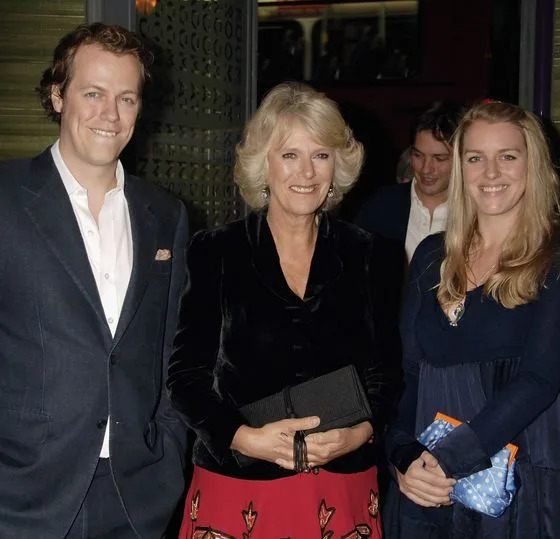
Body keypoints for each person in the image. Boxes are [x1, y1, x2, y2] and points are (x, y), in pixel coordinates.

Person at [0, 23, 189, 538]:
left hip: (136, 499)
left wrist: (168, 455)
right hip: (10, 501)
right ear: (57, 94)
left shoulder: (166, 215)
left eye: (126, 98)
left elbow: (170, 354)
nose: (110, 114)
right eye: (93, 93)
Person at [166, 81, 400, 538]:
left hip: (341, 485)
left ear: (338, 165)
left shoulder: (373, 255)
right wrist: (243, 438)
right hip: (238, 485)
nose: (307, 172)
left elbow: (387, 373)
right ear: (264, 164)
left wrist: (359, 433)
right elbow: (185, 377)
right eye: (290, 155)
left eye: (321, 155)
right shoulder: (216, 251)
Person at [384, 100, 560, 538]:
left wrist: (446, 459)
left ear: (533, 164)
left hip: (514, 476)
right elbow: (406, 372)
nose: (491, 172)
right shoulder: (430, 255)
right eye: (475, 158)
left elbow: (539, 379)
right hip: (426, 482)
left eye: (508, 156)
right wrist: (403, 455)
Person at [355, 101, 464, 265]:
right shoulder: (380, 206)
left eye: (439, 158)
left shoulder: (476, 212)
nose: (426, 168)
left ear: (462, 158)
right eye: (418, 155)